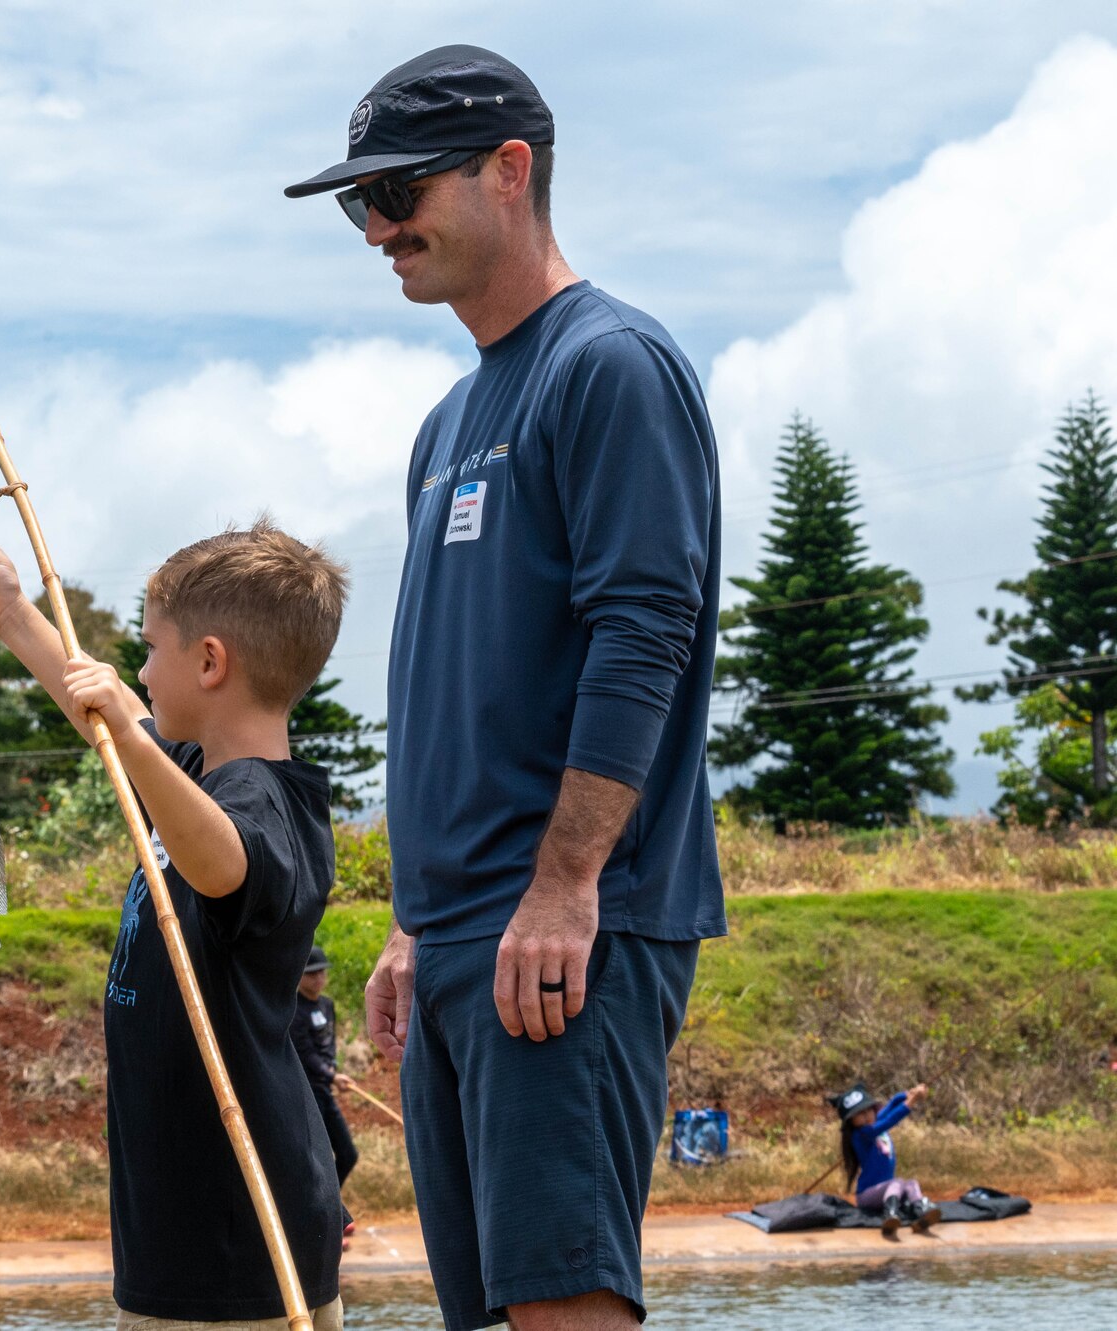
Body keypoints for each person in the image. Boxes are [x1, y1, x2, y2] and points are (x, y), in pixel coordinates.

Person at [287, 45, 725, 1331]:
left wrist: (565, 881)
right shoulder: (445, 423)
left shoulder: (611, 365)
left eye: (398, 190)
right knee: (485, 1310)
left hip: (563, 926)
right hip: (461, 934)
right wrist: (414, 922)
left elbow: (644, 629)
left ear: (509, 171)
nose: (374, 226)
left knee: (563, 1303)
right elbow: (459, 693)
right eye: (351, 204)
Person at [0, 519, 350, 1330]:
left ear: (210, 662)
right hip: (173, 1244)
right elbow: (112, 726)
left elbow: (224, 862)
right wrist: (14, 617)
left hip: (242, 1250)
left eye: (149, 647)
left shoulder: (270, 808)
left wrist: (134, 735)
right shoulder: (195, 780)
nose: (137, 669)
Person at [829, 1081, 939, 1235]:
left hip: (886, 1191)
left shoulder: (873, 1122)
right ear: (851, 1121)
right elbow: (890, 1120)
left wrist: (908, 1094)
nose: (866, 1115)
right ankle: (890, 1214)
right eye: (860, 1114)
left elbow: (891, 1106)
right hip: (867, 1195)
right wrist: (911, 1101)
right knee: (897, 1183)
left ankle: (921, 1209)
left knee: (911, 1184)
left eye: (868, 1110)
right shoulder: (862, 1134)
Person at [292, 947, 360, 1191]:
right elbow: (305, 1053)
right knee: (317, 1161)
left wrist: (334, 1070)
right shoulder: (293, 1010)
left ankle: (331, 1206)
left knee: (348, 1154)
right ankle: (323, 1213)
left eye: (321, 973)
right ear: (299, 975)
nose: (318, 979)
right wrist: (332, 1075)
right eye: (311, 974)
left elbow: (329, 1044)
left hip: (325, 1089)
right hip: (306, 1093)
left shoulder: (327, 1005)